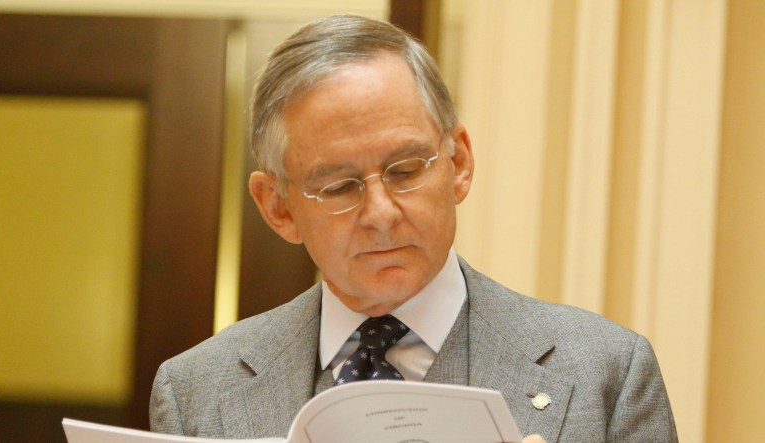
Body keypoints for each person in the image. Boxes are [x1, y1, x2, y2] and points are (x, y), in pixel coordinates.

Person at [149, 14, 677, 443]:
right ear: (278, 208)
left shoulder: (605, 374)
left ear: (460, 163)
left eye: (405, 171)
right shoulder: (197, 390)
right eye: (338, 187)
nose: (381, 212)